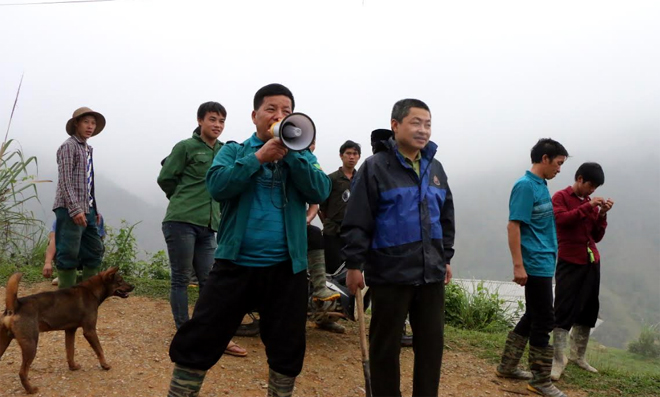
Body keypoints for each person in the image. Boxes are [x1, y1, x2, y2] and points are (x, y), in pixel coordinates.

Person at [166, 83, 331, 397]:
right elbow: (217, 186)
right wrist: (258, 157)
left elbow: (321, 190)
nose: (279, 116)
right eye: (272, 109)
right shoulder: (233, 151)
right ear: (256, 115)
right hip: (234, 264)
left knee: (287, 346)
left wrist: (293, 156)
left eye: (286, 111)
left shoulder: (304, 156)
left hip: (287, 269)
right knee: (202, 336)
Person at [342, 99, 455, 397]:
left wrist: (445, 257)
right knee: (385, 347)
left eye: (428, 124)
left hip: (430, 273)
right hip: (390, 272)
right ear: (395, 125)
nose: (423, 130)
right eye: (416, 122)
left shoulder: (435, 167)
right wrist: (354, 265)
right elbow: (357, 219)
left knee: (431, 346)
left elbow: (445, 215)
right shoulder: (376, 167)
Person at [157, 102, 246, 357]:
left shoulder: (225, 151)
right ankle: (184, 332)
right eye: (212, 119)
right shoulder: (185, 147)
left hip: (210, 224)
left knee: (210, 280)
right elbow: (165, 178)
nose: (217, 125)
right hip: (181, 219)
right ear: (200, 121)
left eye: (221, 121)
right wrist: (181, 198)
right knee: (181, 278)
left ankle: (212, 332)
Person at [495, 138, 568, 397]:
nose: (559, 169)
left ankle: (507, 366)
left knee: (533, 314)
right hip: (534, 263)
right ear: (545, 158)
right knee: (545, 318)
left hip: (544, 261)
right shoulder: (525, 186)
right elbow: (513, 225)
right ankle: (540, 380)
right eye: (558, 163)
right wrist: (518, 266)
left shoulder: (541, 185)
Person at [550, 162, 613, 380]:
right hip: (569, 260)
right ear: (579, 179)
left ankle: (578, 356)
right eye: (590, 185)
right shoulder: (560, 197)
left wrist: (602, 214)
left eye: (596, 187)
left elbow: (596, 236)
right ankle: (557, 358)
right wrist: (588, 207)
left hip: (591, 261)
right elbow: (561, 220)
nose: (592, 191)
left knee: (588, 308)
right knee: (564, 307)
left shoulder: (590, 203)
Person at [52, 107, 106, 289]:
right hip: (69, 209)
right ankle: (65, 297)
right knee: (68, 252)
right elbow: (65, 180)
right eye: (86, 122)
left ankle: (87, 293)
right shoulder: (69, 147)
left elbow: (88, 183)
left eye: (93, 123)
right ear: (76, 124)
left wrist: (95, 210)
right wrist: (75, 208)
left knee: (94, 250)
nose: (90, 126)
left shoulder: (87, 149)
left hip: (88, 209)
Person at [319, 140, 361, 274]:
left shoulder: (362, 179)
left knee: (354, 268)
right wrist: (328, 223)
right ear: (341, 156)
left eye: (355, 154)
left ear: (359, 156)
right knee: (332, 269)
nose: (352, 157)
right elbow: (322, 206)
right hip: (333, 231)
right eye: (348, 153)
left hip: (355, 232)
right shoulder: (331, 179)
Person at [43, 216, 106, 285]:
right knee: (56, 246)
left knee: (99, 246)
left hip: (86, 254)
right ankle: (63, 276)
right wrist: (48, 262)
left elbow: (100, 238)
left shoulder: (96, 216)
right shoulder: (63, 217)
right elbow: (53, 240)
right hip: (68, 254)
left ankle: (91, 277)